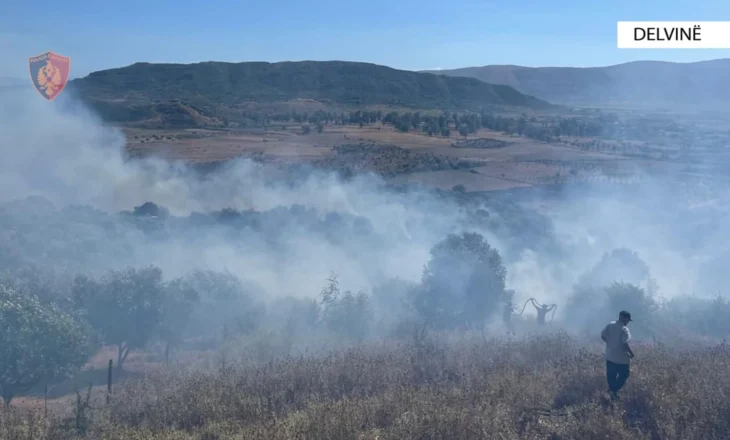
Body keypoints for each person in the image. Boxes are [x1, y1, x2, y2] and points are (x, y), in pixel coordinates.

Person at [601, 310, 635, 399]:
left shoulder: (610, 325)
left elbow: (603, 336)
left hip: (610, 356)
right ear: (624, 318)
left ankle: (612, 395)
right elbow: (625, 343)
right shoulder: (624, 329)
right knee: (624, 374)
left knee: (611, 376)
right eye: (627, 320)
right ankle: (613, 392)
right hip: (621, 358)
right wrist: (631, 353)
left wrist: (609, 344)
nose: (628, 322)